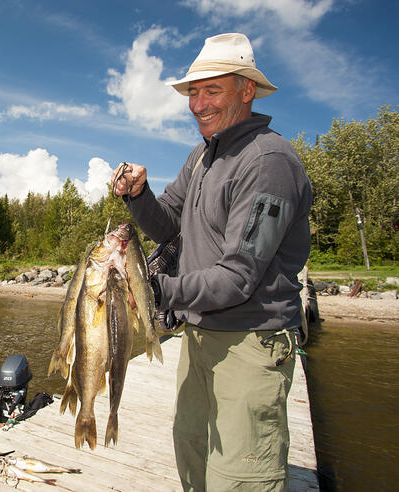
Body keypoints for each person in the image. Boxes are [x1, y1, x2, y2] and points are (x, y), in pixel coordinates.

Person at [112, 33, 312, 491]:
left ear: (247, 90)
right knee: (194, 463)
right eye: (193, 93)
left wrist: (150, 290)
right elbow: (166, 227)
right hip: (200, 338)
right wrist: (139, 195)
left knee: (241, 480)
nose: (198, 104)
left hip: (251, 344)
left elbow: (239, 276)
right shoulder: (201, 157)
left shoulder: (268, 161)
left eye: (212, 90)